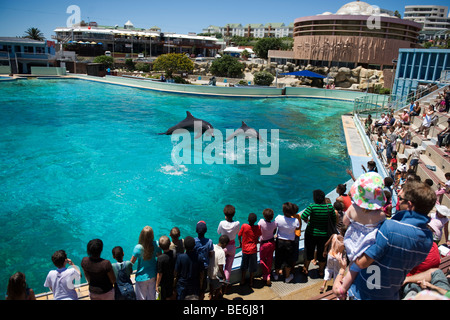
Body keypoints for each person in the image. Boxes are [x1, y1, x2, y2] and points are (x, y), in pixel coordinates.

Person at [334, 180, 436, 300]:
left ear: (409, 205)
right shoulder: (428, 238)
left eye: (400, 198)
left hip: (363, 293)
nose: (398, 201)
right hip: (390, 294)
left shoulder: (390, 228)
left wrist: (342, 269)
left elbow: (362, 263)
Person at [333, 172, 387, 298]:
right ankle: (345, 286)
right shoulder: (381, 215)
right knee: (355, 268)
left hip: (353, 240)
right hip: (368, 242)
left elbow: (344, 222)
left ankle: (343, 287)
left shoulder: (353, 208)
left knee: (352, 264)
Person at [301, 191, 335, 278]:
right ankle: (320, 271)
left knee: (309, 251)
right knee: (322, 253)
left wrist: (308, 222)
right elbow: (334, 219)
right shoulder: (329, 207)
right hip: (324, 235)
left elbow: (303, 216)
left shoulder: (312, 207)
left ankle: (305, 269)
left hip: (311, 233)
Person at [130, 226, 162, 300]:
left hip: (141, 277)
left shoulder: (138, 248)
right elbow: (160, 258)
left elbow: (131, 264)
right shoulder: (156, 244)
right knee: (151, 297)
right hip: (153, 275)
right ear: (152, 235)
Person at [217, 204, 240, 286]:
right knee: (228, 268)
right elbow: (237, 233)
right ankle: (226, 284)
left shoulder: (221, 223)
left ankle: (219, 284)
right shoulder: (237, 223)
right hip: (232, 247)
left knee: (220, 266)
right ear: (233, 214)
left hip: (223, 247)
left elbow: (218, 232)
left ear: (225, 214)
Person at [238, 212, 262, 286]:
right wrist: (256, 241)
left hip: (245, 250)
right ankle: (251, 281)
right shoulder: (257, 227)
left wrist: (240, 243)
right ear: (255, 220)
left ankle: (242, 280)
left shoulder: (244, 226)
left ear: (248, 219)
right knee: (252, 266)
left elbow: (239, 235)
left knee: (244, 266)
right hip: (253, 250)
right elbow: (259, 235)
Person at [174, 236, 201, 300]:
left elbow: (176, 272)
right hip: (194, 284)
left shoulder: (180, 257)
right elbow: (201, 273)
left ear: (184, 246)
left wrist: (174, 285)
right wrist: (201, 285)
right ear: (194, 245)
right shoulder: (199, 257)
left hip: (182, 285)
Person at [194, 221, 214, 299]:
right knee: (203, 285)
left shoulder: (193, 241)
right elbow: (211, 254)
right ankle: (202, 296)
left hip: (195, 266)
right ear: (205, 231)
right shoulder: (210, 242)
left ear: (196, 231)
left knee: (196, 283)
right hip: (205, 267)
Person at [258, 208, 277, 286]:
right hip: (272, 243)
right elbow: (274, 232)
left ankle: (266, 275)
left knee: (262, 260)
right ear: (272, 217)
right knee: (269, 259)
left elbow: (259, 230)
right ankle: (269, 273)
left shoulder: (261, 222)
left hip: (264, 244)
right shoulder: (274, 223)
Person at [208, 235, 229, 299]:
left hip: (209, 272)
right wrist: (224, 277)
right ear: (224, 244)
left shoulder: (213, 247)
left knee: (211, 285)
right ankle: (215, 298)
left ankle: (211, 295)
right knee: (218, 288)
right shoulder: (221, 252)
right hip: (216, 275)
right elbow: (220, 266)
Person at [156, 235, 176, 300]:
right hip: (171, 279)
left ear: (159, 246)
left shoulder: (160, 259)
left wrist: (156, 285)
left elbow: (160, 274)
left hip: (163, 283)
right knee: (169, 295)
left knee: (164, 296)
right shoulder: (174, 253)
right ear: (170, 244)